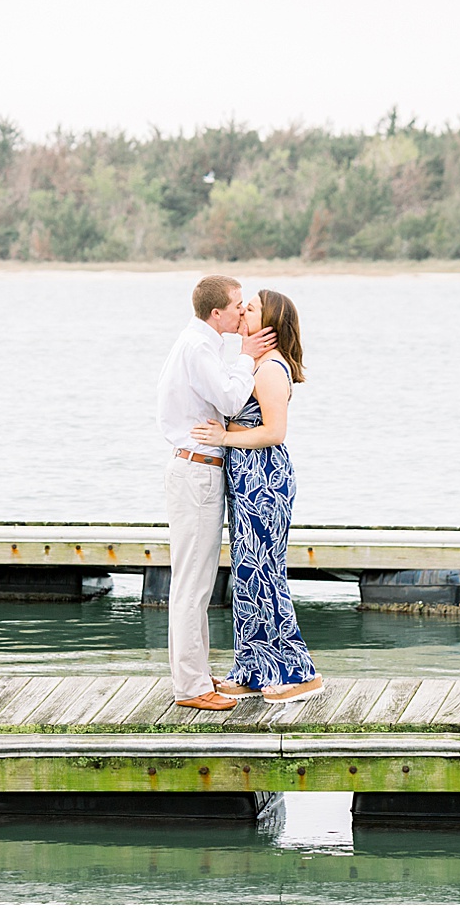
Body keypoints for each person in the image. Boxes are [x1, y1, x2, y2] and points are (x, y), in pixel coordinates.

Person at [191, 289, 321, 705]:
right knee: (247, 575)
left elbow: (275, 432)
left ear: (270, 322)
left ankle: (299, 673)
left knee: (265, 574)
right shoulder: (254, 364)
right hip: (245, 479)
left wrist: (223, 438)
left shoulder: (271, 369)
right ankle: (251, 670)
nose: (242, 312)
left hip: (265, 479)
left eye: (250, 309)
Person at [156, 275, 275, 711]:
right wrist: (247, 356)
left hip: (196, 470)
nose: (242, 311)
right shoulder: (199, 348)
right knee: (193, 583)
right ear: (216, 313)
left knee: (196, 581)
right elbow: (229, 400)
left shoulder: (200, 344)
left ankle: (196, 674)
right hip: (197, 472)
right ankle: (190, 687)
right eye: (237, 305)